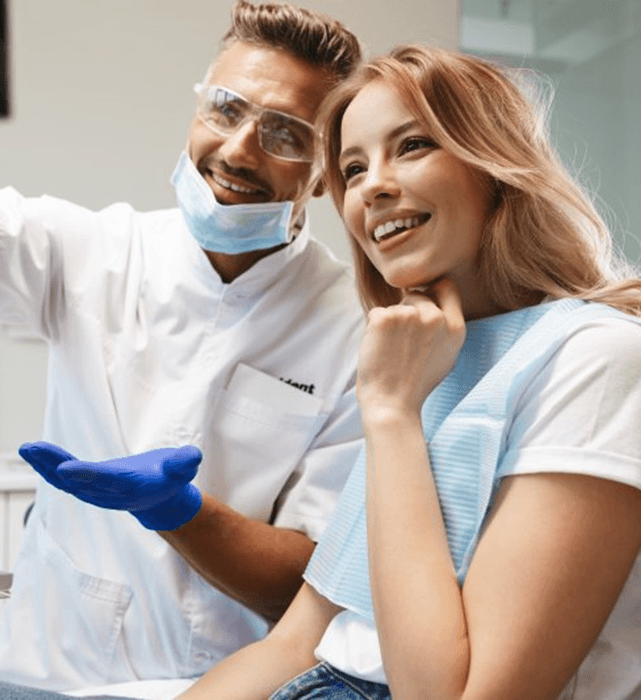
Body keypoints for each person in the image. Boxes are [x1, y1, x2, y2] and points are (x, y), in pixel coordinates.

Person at [168, 44, 641, 700]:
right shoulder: (431, 357)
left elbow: (449, 694)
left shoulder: (594, 358)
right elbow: (296, 642)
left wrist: (390, 416)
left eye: (413, 146)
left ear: (495, 165)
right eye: (353, 169)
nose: (373, 187)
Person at [0, 0, 365, 694]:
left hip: (213, 684)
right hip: (38, 671)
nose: (240, 148)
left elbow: (304, 592)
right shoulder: (94, 251)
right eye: (226, 109)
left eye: (285, 134)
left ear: (325, 173)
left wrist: (180, 511)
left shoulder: (353, 329)